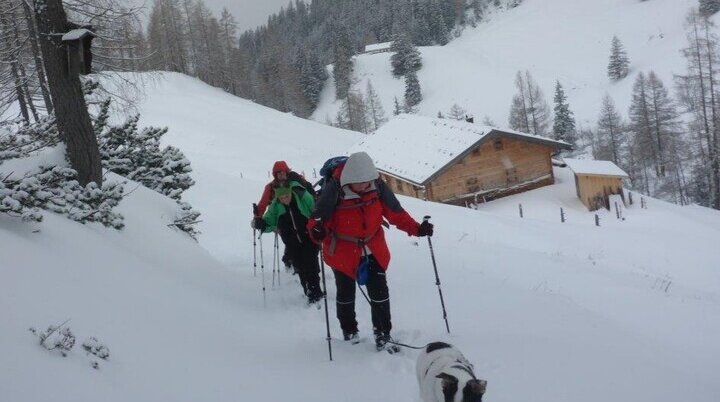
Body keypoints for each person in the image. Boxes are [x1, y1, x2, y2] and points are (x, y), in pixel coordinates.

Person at [307, 152, 433, 352]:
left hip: (374, 248)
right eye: (360, 183)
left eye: (368, 182)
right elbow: (316, 222)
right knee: (346, 294)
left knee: (380, 293)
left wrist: (417, 229)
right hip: (342, 252)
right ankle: (349, 331)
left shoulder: (378, 187)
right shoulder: (334, 191)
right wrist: (317, 230)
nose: (365, 186)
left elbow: (396, 213)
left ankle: (383, 334)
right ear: (349, 179)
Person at [253, 183, 323, 304]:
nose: (285, 199)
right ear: (278, 198)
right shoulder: (275, 207)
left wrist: (319, 224)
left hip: (309, 239)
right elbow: (268, 222)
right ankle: (308, 290)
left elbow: (315, 210)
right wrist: (260, 224)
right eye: (282, 197)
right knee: (300, 267)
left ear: (291, 193)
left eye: (287, 195)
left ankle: (315, 292)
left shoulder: (301, 199)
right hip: (292, 243)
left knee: (311, 265)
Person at [255, 161, 315, 270]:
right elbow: (263, 203)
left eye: (282, 172)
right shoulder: (270, 187)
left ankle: (294, 261)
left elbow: (310, 197)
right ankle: (292, 261)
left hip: (301, 217)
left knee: (300, 238)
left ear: (287, 172)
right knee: (289, 237)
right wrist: (258, 218)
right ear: (275, 175)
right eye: (278, 173)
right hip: (280, 217)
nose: (281, 175)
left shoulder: (297, 182)